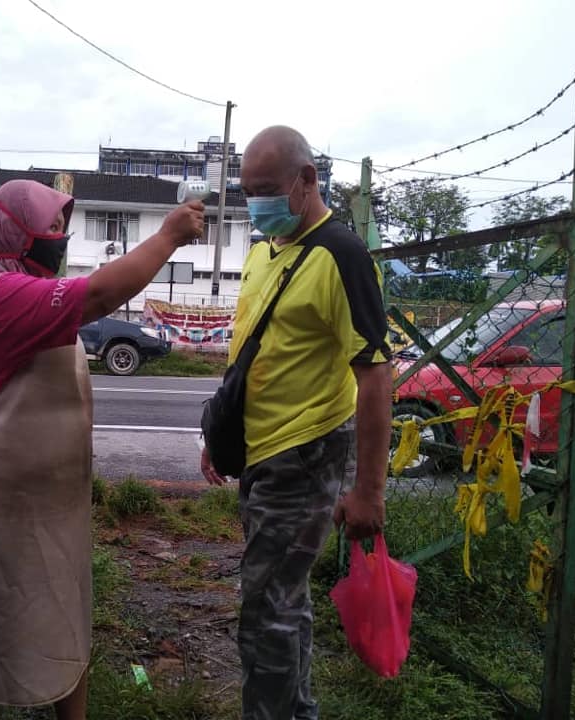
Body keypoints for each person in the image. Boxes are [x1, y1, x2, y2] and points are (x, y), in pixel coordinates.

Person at [0, 178, 204, 720]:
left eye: (63, 226)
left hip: (52, 497)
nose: (60, 237)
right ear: (17, 232)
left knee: (69, 615)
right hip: (1, 499)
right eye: (52, 226)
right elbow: (102, 293)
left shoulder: (26, 287)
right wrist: (168, 237)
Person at [200, 126, 392, 720]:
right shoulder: (266, 251)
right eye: (247, 190)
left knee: (265, 616)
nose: (256, 203)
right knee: (282, 603)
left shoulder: (342, 257)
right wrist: (221, 435)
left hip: (304, 458)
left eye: (266, 189)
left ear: (307, 181)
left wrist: (368, 490)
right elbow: (251, 354)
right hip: (262, 452)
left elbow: (376, 376)